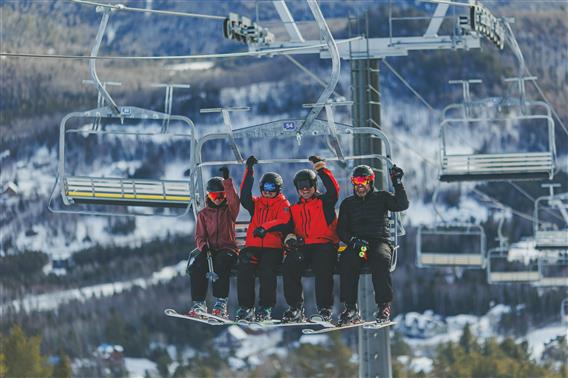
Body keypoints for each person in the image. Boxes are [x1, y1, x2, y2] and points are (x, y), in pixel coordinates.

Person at [266, 156, 340, 323]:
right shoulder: (295, 209)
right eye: (301, 187)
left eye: (308, 186)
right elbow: (288, 231)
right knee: (290, 264)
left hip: (325, 245)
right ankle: (296, 308)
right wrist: (289, 239)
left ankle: (324, 309)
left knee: (323, 267)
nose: (305, 189)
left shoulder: (325, 202)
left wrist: (320, 168)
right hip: (304, 247)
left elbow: (334, 189)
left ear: (314, 186)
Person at [336, 164, 409, 325]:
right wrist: (353, 241)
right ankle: (351, 308)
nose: (359, 186)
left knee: (380, 259)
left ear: (370, 182)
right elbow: (341, 230)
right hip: (358, 244)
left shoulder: (381, 197)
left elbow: (401, 204)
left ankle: (384, 306)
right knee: (347, 260)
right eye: (356, 182)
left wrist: (397, 183)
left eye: (363, 182)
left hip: (379, 241)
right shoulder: (348, 204)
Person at [235, 156, 291, 322]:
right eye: (264, 189)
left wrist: (264, 228)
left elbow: (283, 221)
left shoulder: (283, 205)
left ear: (278, 189)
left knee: (267, 269)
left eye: (271, 189)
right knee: (244, 265)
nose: (267, 192)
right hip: (253, 246)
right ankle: (246, 307)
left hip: (272, 247)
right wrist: (249, 170)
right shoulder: (257, 203)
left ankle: (265, 307)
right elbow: (244, 196)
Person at [188, 166, 240, 319]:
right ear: (208, 196)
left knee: (221, 263)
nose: (217, 199)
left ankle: (220, 303)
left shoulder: (230, 211)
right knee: (197, 265)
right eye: (213, 195)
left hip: (228, 249)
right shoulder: (203, 214)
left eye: (221, 195)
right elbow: (199, 236)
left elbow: (234, 200)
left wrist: (227, 182)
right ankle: (198, 303)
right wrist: (203, 247)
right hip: (210, 249)